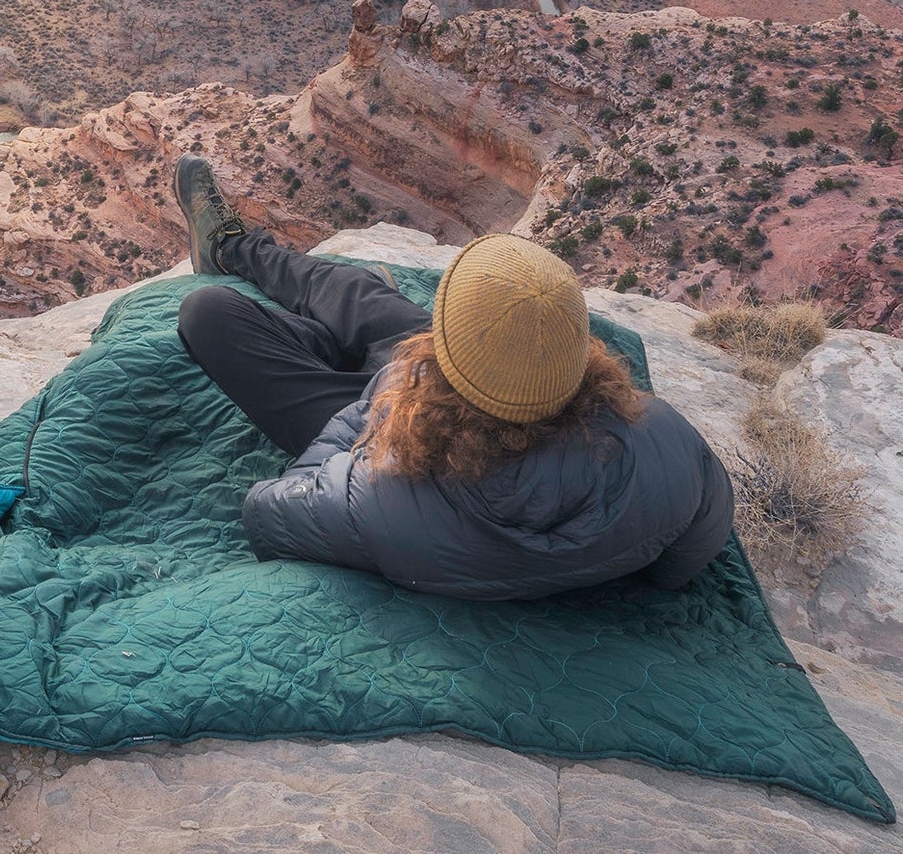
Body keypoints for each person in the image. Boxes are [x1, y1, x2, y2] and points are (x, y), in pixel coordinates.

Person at [172, 156, 734, 601]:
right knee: (358, 298)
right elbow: (689, 554)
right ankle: (234, 251)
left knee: (211, 314)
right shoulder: (667, 440)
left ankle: (245, 262)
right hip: (477, 392)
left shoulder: (386, 495)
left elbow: (267, 512)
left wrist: (386, 404)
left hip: (402, 435)